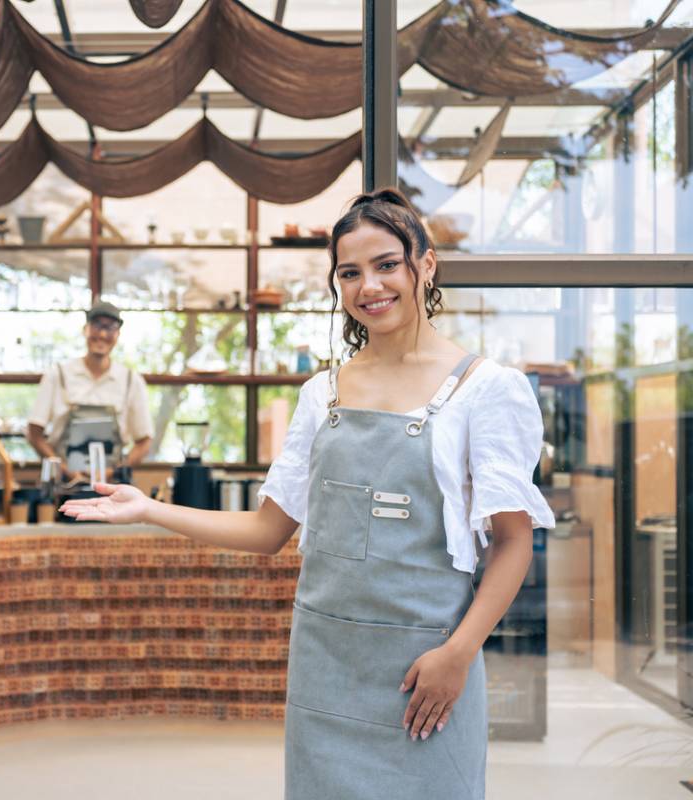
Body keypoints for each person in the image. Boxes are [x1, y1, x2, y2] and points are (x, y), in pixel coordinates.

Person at [60, 188, 555, 799]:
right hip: (326, 666)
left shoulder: (487, 390)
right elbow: (269, 531)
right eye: (349, 272)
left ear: (426, 264)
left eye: (386, 264)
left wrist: (459, 653)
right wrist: (149, 509)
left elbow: (512, 544)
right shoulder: (323, 394)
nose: (368, 285)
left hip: (426, 669)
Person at [27, 300, 154, 482]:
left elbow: (144, 442)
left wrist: (111, 473)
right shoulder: (58, 375)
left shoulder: (131, 381)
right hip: (64, 483)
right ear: (85, 329)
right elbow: (34, 433)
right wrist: (64, 469)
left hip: (114, 484)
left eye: (110, 328)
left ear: (118, 335)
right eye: (97, 325)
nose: (102, 334)